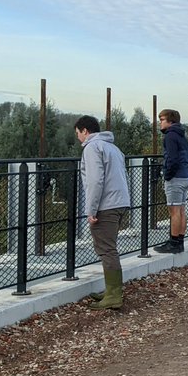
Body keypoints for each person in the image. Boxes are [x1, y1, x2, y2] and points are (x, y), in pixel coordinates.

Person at [75, 115, 131, 310]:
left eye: (78, 133)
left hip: (106, 205)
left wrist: (91, 209)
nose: (78, 138)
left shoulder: (92, 148)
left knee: (106, 249)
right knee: (109, 247)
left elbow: (95, 180)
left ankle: (114, 295)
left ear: (85, 131)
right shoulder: (113, 148)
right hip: (120, 201)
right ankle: (111, 291)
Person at [153, 109, 188, 254]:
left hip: (176, 178)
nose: (160, 123)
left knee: (174, 211)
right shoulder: (181, 135)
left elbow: (172, 158)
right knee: (181, 210)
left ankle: (173, 243)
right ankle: (179, 241)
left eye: (162, 120)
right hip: (186, 175)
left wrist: (167, 175)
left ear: (171, 121)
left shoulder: (170, 136)